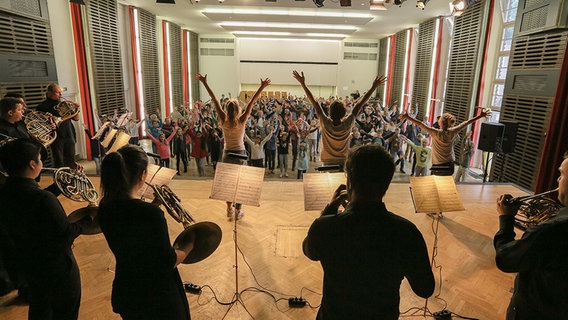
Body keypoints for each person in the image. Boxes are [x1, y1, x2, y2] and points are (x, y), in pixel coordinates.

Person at [303, 144, 435, 319]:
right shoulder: (406, 232)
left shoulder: (326, 226)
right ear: (386, 184)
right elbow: (425, 289)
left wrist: (329, 210)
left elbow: (309, 251)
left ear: (349, 182)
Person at [0, 138, 93, 320]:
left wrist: (60, 185)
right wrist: (87, 220)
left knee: (40, 308)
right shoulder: (43, 200)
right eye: (40, 159)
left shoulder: (5, 192)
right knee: (66, 311)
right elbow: (65, 236)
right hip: (57, 270)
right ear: (33, 164)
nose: (42, 163)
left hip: (30, 265)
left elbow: (30, 200)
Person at [98, 144, 193, 320]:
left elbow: (131, 226)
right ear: (143, 175)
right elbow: (167, 261)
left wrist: (153, 205)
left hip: (128, 289)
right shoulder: (151, 215)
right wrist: (188, 245)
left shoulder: (104, 207)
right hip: (157, 297)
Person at [494, 154, 568, 320]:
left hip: (535, 310)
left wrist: (505, 219)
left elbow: (505, 258)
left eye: (562, 174)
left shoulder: (550, 231)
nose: (557, 180)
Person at [196, 73, 270, 221]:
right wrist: (262, 87)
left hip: (227, 154)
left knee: (228, 183)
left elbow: (215, 99)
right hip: (240, 154)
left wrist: (204, 82)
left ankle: (229, 209)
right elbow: (252, 103)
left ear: (226, 109)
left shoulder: (223, 119)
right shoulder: (242, 119)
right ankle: (237, 212)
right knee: (240, 184)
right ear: (238, 110)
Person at [293, 71, 386, 169]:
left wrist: (303, 84)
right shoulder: (347, 123)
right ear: (344, 113)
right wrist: (373, 87)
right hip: (342, 161)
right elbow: (360, 104)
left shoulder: (325, 123)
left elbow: (314, 102)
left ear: (330, 112)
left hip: (327, 161)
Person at [401, 109, 490, 176]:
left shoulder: (435, 132)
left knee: (436, 187)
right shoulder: (453, 132)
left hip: (438, 165)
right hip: (450, 165)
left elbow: (420, 124)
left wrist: (408, 117)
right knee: (445, 188)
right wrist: (480, 116)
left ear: (440, 122)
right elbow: (466, 123)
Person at [36, 84, 80, 168]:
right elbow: (40, 123)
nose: (60, 95)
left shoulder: (64, 104)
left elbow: (76, 118)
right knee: (59, 162)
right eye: (58, 92)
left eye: (60, 92)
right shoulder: (42, 106)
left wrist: (76, 109)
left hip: (69, 134)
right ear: (49, 93)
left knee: (71, 160)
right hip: (56, 137)